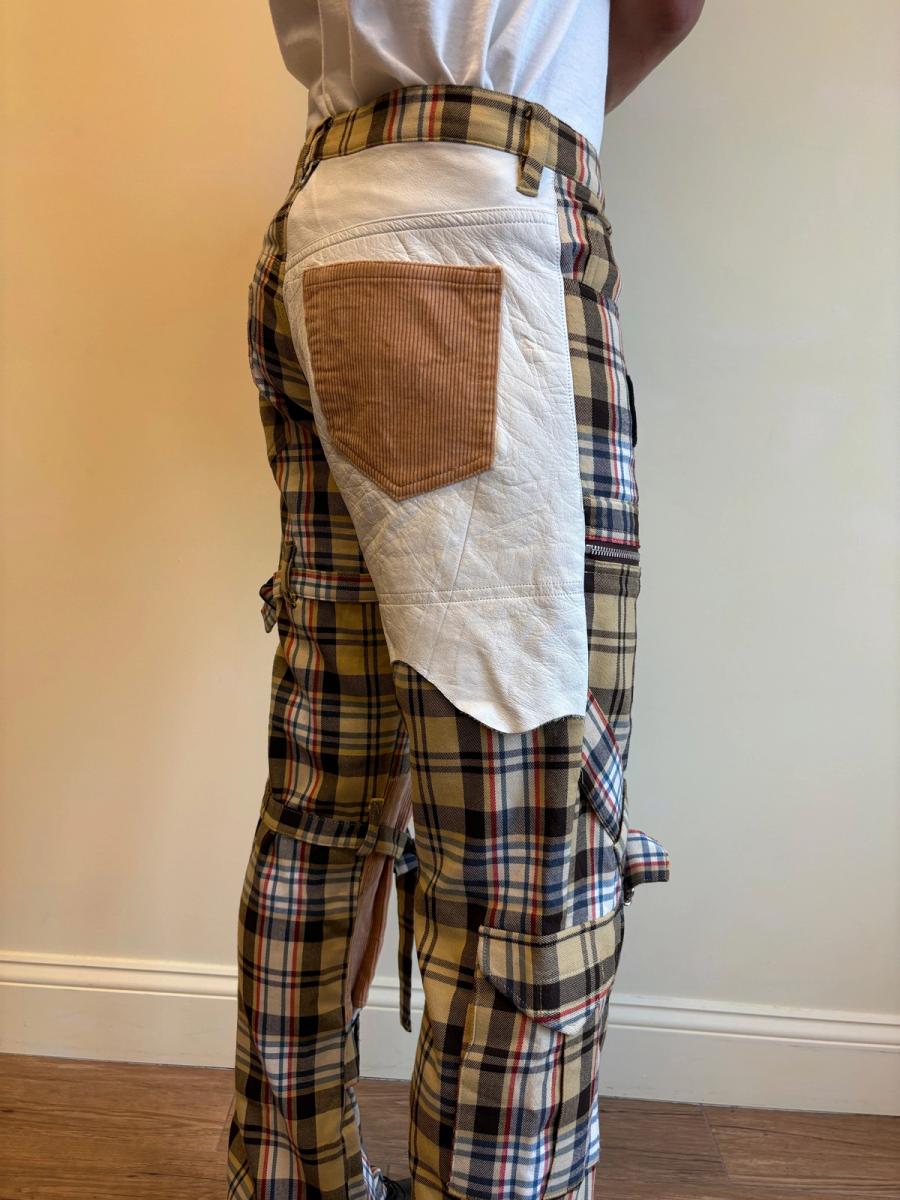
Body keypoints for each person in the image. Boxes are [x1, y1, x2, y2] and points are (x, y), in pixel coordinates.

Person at [227, 3, 703, 1198]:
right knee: (525, 837)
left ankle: (285, 1175)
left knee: (329, 795)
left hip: (325, 217)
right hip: (483, 223)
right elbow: (667, 7)